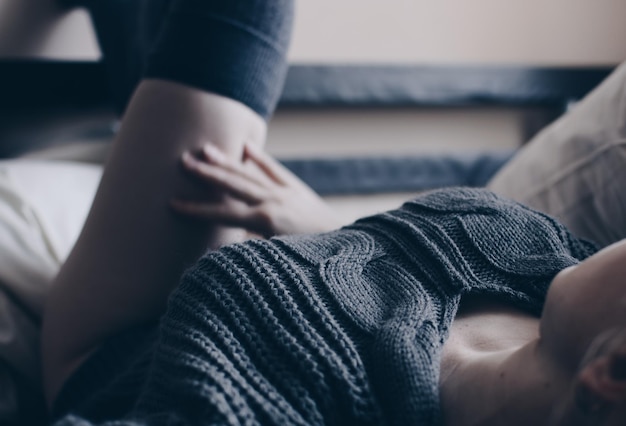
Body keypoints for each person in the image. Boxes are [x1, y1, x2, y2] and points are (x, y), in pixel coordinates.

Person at [41, 1, 626, 426]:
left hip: (116, 349)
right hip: (268, 241)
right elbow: (396, 311)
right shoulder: (550, 269)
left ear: (613, 372)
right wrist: (330, 232)